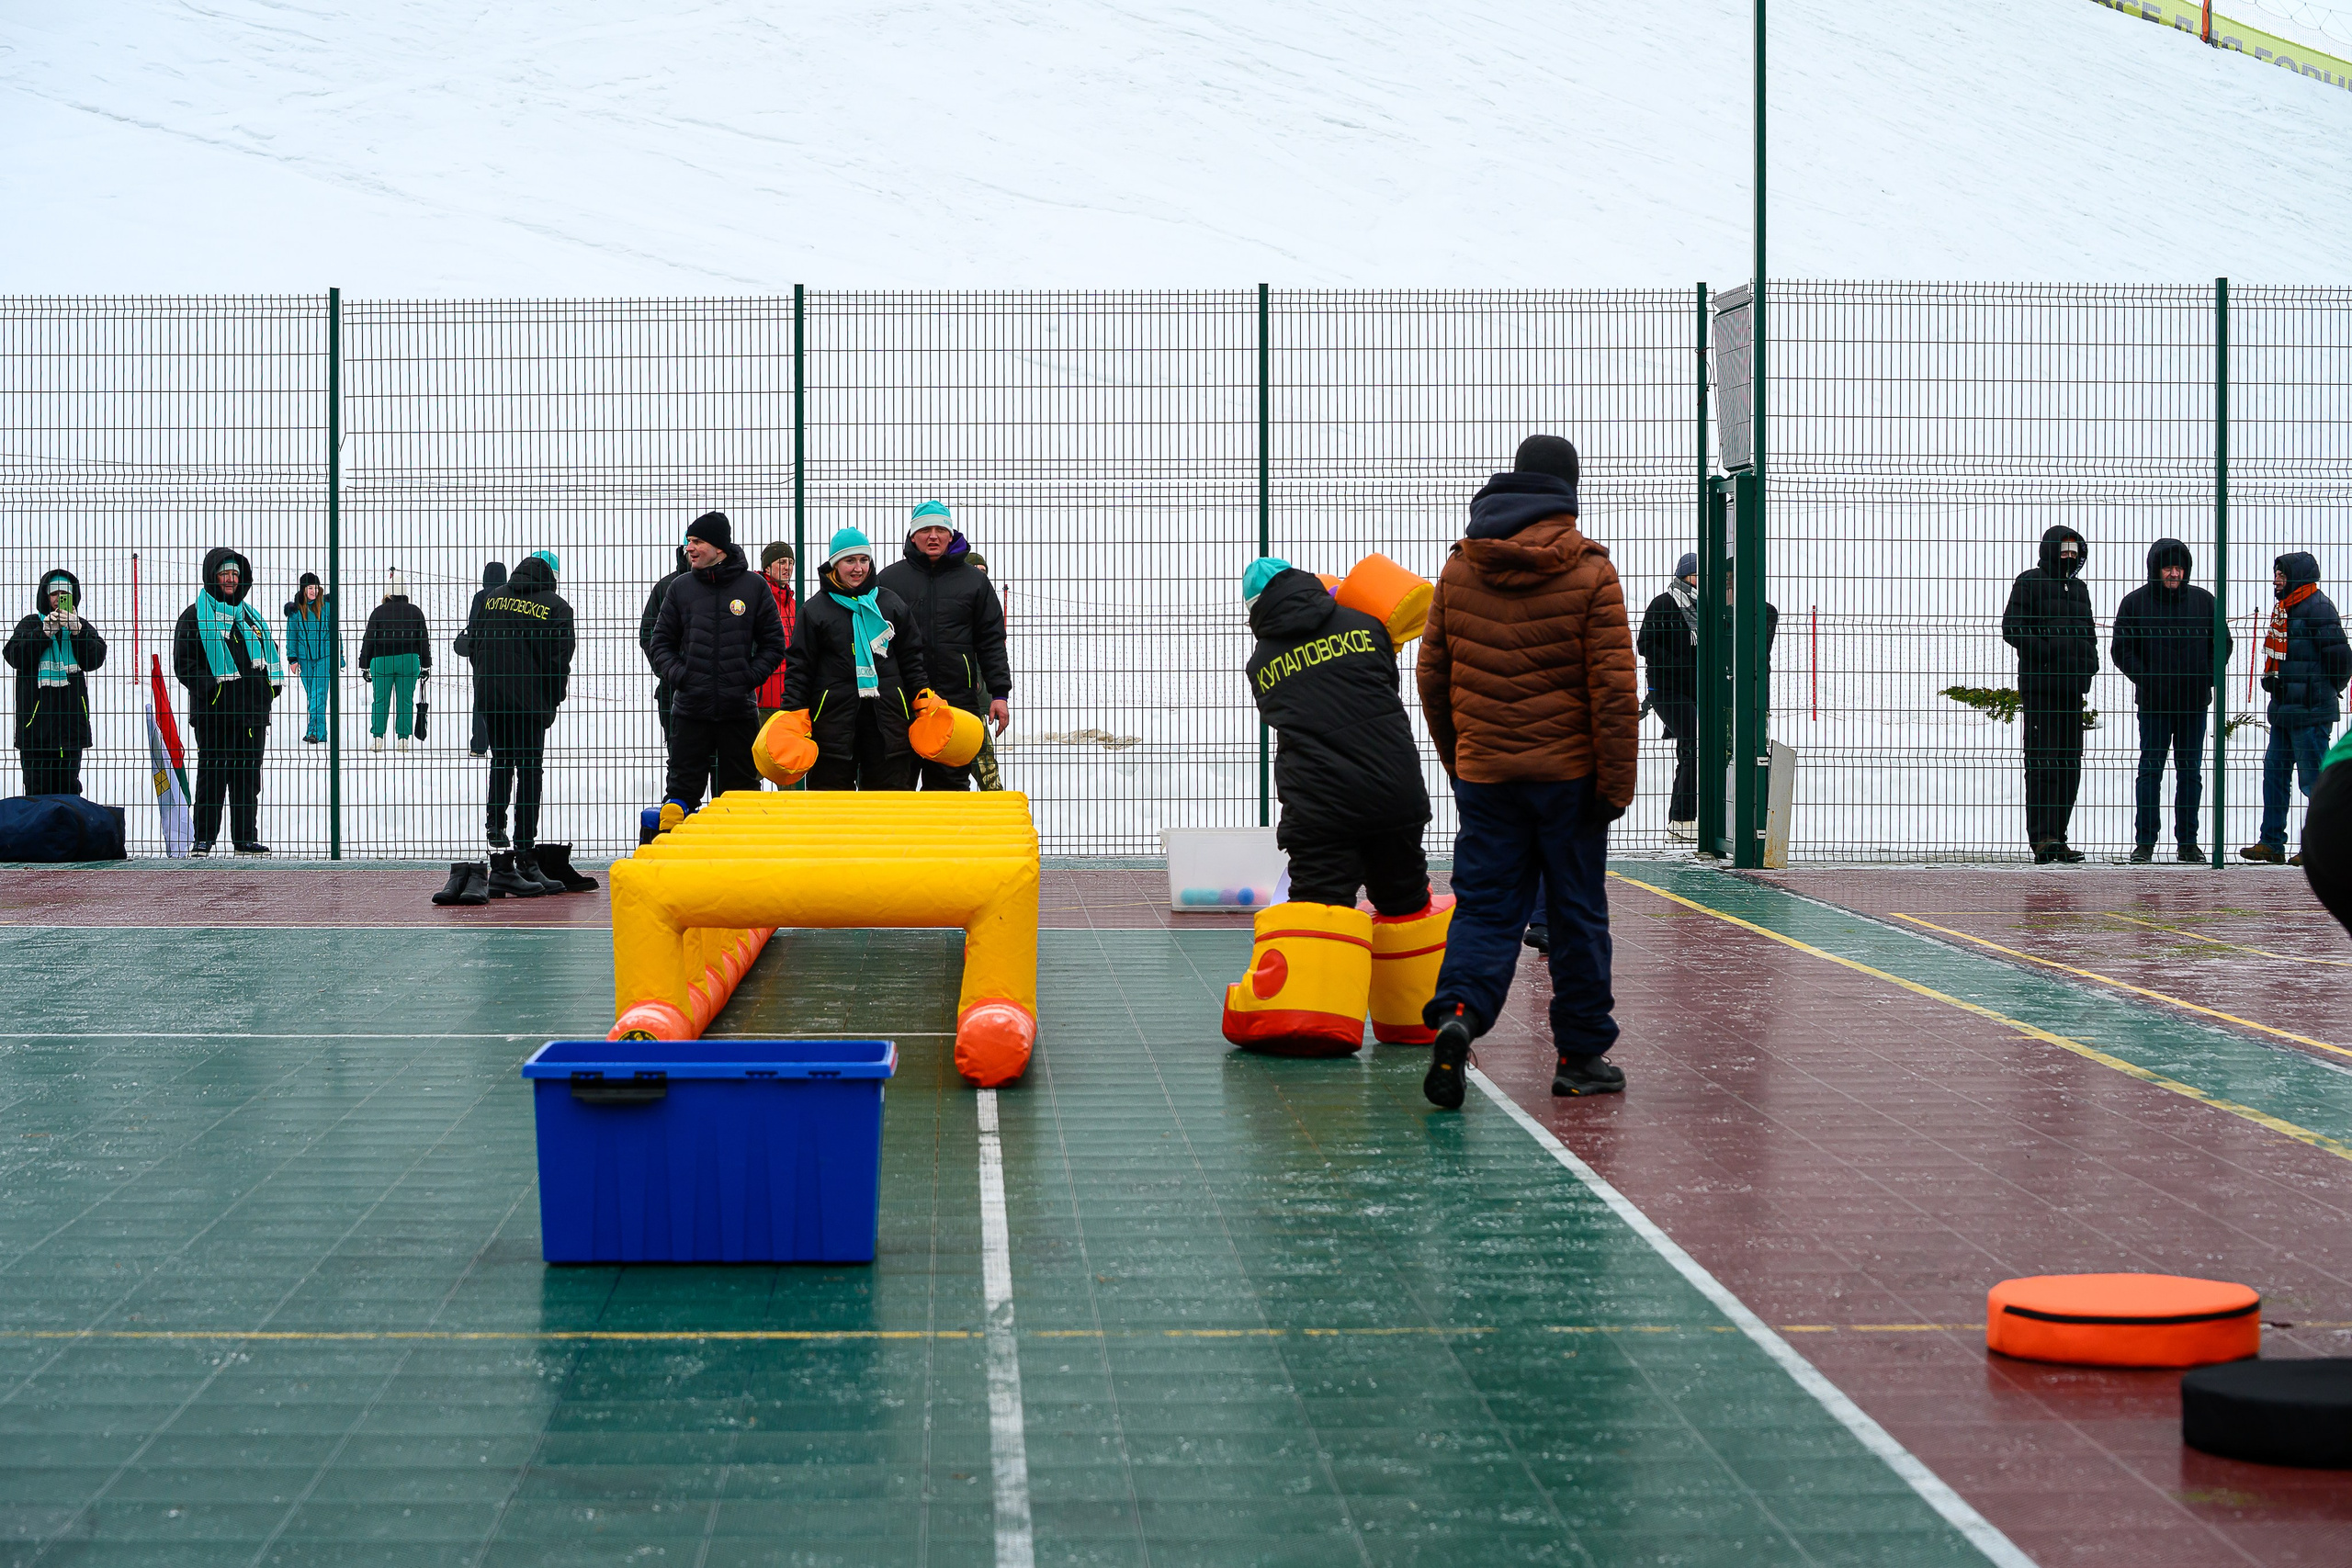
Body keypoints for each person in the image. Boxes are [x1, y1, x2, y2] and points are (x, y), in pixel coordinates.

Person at [1417, 434, 1638, 1106]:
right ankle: (1579, 1056)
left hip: (1488, 778)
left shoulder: (1460, 568)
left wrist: (1465, 758)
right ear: (1568, 489)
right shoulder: (1591, 571)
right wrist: (1614, 787)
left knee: (1484, 907)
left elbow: (1432, 674)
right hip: (1569, 780)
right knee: (1576, 915)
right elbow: (1615, 695)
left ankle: (1458, 1014)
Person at [1246, 558, 1430, 908]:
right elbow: (1386, 687)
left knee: (1320, 912)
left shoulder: (1260, 666)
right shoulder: (1367, 625)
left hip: (1318, 807)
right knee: (1405, 902)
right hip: (1392, 788)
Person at [650, 512, 789, 811]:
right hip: (690, 713)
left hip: (738, 714)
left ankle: (736, 859)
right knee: (680, 799)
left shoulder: (753, 587)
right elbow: (659, 643)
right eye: (689, 541)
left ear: (719, 548)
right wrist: (681, 676)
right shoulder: (680, 588)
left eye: (697, 541)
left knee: (740, 801)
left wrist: (747, 677)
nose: (689, 548)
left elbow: (774, 645)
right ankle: (678, 858)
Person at [779, 527, 929, 791]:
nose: (858, 568)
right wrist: (793, 715)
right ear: (835, 565)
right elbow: (800, 668)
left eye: (864, 560)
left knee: (889, 805)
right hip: (832, 726)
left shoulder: (891, 604)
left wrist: (924, 703)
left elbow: (911, 660)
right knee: (829, 810)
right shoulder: (815, 611)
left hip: (887, 723)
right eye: (850, 561)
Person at [876, 501, 1012, 790]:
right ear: (913, 535)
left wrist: (999, 693)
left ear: (951, 535)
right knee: (894, 794)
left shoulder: (975, 582)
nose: (933, 536)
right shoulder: (888, 581)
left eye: (940, 529)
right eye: (926, 529)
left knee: (950, 795)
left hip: (956, 705)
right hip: (901, 708)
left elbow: (991, 642)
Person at [468, 549, 576, 891]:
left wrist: (489, 685)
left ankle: (497, 839)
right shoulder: (556, 607)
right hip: (529, 702)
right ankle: (526, 856)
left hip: (493, 697)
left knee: (502, 762)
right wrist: (552, 701)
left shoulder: (492, 598)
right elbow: (558, 662)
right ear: (551, 577)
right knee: (530, 770)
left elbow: (475, 645)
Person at [2110, 539, 2224, 863]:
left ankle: (2188, 842)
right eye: (2168, 568)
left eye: (2179, 568)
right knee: (2150, 770)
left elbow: (2223, 644)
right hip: (2153, 704)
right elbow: (2122, 649)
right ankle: (2145, 842)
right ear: (2155, 569)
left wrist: (2206, 676)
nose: (2174, 573)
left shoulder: (2205, 602)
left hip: (2193, 704)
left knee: (2190, 773)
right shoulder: (2135, 604)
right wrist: (2147, 679)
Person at [173, 547, 282, 855]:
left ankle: (244, 838)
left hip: (252, 716)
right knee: (213, 777)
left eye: (235, 574)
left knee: (248, 779)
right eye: (225, 574)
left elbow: (269, 657)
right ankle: (203, 838)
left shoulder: (250, 619)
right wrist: (213, 689)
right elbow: (185, 664)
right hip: (214, 714)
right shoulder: (194, 616)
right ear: (213, 577)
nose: (231, 579)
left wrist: (267, 691)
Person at [2245, 552, 2351, 865]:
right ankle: (2271, 842)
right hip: (2283, 711)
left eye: (2282, 574)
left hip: (2310, 712)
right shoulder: (2285, 609)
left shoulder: (2318, 608)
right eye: (2276, 574)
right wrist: (2274, 682)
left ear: (2299, 577)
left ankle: (2321, 848)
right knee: (2275, 774)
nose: (2276, 580)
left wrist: (2322, 691)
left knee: (2314, 782)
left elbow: (2341, 659)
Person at [2001, 525, 2098, 863]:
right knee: (2043, 763)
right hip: (2040, 688)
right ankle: (2042, 838)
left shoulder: (2080, 589)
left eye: (2075, 549)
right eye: (2064, 548)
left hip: (2072, 690)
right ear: (2050, 549)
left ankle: (2060, 836)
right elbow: (2013, 627)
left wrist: (2088, 666)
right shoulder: (2029, 581)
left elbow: (2089, 634)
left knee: (2070, 764)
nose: (2069, 555)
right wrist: (2046, 653)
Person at [6, 569, 107, 795]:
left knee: (69, 794)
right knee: (36, 796)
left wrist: (77, 632)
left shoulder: (80, 626)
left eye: (64, 593)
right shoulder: (30, 624)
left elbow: (95, 659)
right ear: (44, 595)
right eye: (54, 593)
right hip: (36, 731)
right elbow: (15, 656)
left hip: (70, 730)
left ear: (73, 596)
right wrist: (44, 633)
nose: (58, 599)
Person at [1635, 552, 1702, 840]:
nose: (1701, 580)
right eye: (1698, 574)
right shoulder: (1664, 604)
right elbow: (1644, 643)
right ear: (1685, 575)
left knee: (1698, 748)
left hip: (1696, 689)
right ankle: (1683, 818)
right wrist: (1675, 663)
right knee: (1693, 745)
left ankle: (1689, 818)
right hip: (1667, 689)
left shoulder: (1705, 607)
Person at [357, 570, 431, 751]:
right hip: (408, 660)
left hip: (381, 660)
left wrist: (364, 664)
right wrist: (426, 664)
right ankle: (403, 739)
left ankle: (377, 738)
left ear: (388, 593)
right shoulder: (415, 612)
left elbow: (369, 639)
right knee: (405, 701)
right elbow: (423, 640)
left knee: (380, 701)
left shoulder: (378, 612)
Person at [451, 561, 505, 757]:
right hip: (507, 656)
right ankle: (503, 744)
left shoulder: (481, 597)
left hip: (483, 656)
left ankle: (479, 746)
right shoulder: (510, 596)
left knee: (482, 700)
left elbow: (473, 625)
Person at [638, 545, 690, 739]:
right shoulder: (666, 586)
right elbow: (647, 633)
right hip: (672, 690)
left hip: (718, 693)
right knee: (678, 757)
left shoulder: (724, 586)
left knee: (717, 762)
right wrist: (668, 671)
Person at [281, 573, 339, 746]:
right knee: (314, 695)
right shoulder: (295, 611)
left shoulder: (327, 607)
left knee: (318, 693)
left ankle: (313, 731)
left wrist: (339, 656)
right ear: (303, 589)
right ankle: (322, 732)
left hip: (325, 656)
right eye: (309, 588)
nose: (313, 591)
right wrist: (292, 659)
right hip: (304, 659)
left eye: (315, 587)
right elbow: (292, 635)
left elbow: (336, 633)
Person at [753, 542, 798, 743]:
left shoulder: (794, 604)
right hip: (762, 697)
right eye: (781, 562)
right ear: (767, 567)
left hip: (788, 696)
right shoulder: (757, 598)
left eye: (790, 562)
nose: (787, 567)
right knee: (755, 761)